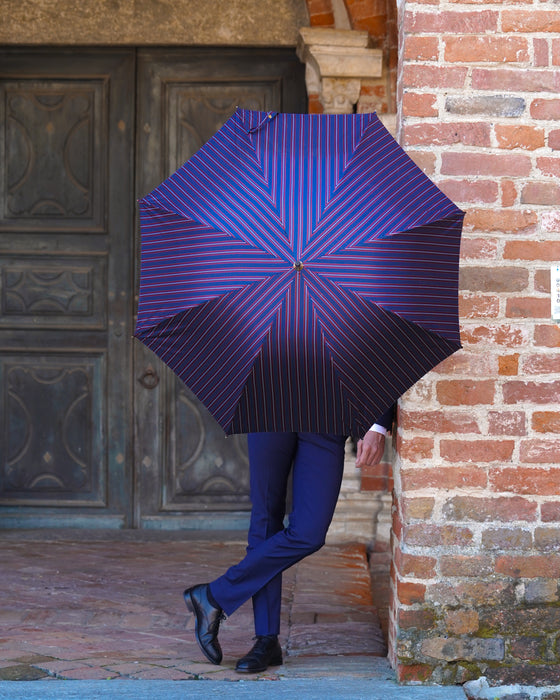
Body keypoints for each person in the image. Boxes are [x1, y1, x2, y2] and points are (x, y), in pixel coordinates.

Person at [184, 405, 394, 673]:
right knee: (265, 519)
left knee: (310, 532)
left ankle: (214, 595)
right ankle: (266, 640)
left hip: (327, 413)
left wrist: (377, 424)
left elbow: (379, 362)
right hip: (272, 401)